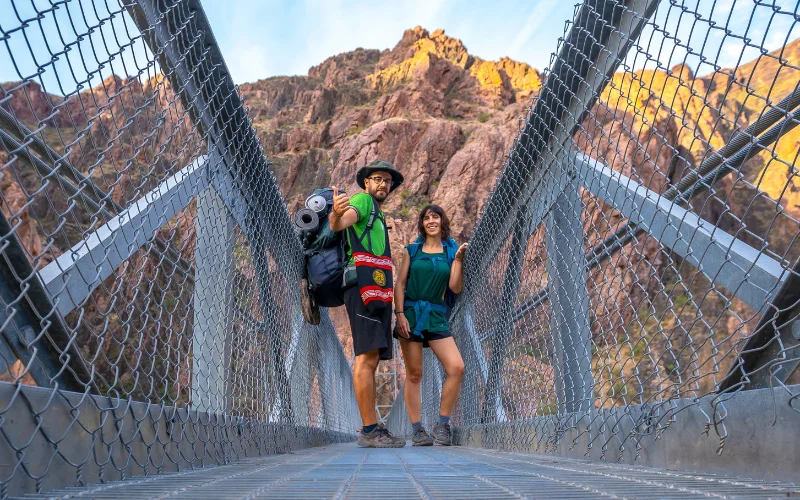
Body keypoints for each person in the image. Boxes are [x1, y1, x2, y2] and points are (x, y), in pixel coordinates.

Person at [329, 159, 407, 448]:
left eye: (388, 181)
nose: (383, 184)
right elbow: (341, 222)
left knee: (371, 357)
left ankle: (372, 429)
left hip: (375, 287)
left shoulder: (377, 212)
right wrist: (336, 216)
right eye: (377, 178)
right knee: (365, 357)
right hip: (363, 286)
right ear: (366, 183)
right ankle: (369, 431)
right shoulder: (362, 201)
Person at [394, 204, 467, 446]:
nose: (431, 221)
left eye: (436, 216)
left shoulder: (451, 251)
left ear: (443, 221)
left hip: (436, 315)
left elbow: (455, 288)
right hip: (412, 315)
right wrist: (400, 315)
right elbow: (400, 284)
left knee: (456, 367)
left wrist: (457, 261)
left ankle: (442, 424)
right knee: (414, 374)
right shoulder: (411, 251)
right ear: (422, 223)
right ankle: (417, 430)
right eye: (426, 217)